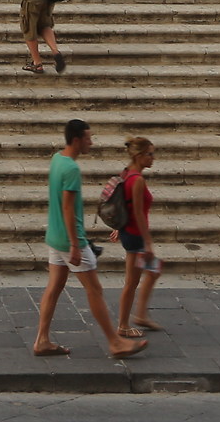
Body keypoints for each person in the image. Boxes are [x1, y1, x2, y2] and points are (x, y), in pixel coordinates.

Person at [32, 118, 144, 359]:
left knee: (54, 287)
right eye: (88, 138)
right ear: (76, 140)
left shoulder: (57, 159)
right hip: (70, 240)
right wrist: (75, 243)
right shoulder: (71, 169)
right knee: (95, 289)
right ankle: (115, 342)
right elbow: (68, 209)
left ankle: (42, 340)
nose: (91, 143)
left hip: (54, 235)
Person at [111, 135, 162, 337]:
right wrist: (148, 243)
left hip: (128, 231)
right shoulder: (137, 180)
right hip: (135, 236)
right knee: (131, 283)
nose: (153, 158)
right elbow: (139, 214)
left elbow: (123, 204)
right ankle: (123, 325)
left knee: (155, 270)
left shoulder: (126, 173)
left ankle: (141, 315)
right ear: (140, 155)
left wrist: (118, 227)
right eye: (150, 154)